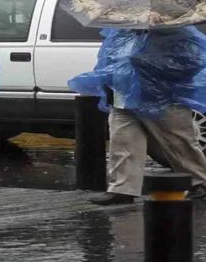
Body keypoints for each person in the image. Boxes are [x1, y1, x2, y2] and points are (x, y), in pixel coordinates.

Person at [69, 27, 206, 205]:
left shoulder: (178, 34)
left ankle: (200, 182)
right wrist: (108, 84)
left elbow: (190, 64)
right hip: (123, 94)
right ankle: (122, 189)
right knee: (123, 140)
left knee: (178, 142)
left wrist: (151, 66)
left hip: (161, 98)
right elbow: (107, 60)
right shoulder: (121, 34)